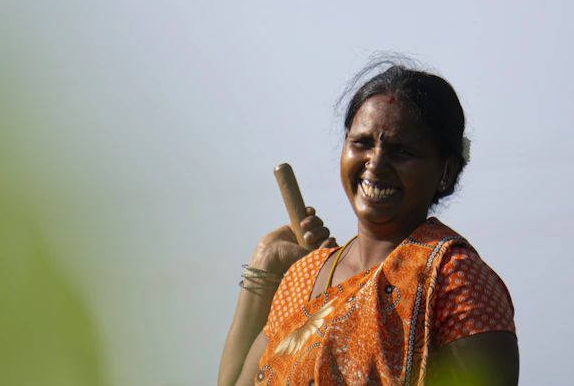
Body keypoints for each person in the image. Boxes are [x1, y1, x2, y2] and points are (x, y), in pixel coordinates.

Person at [218, 62, 518, 386]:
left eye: (401, 151)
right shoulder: (304, 277)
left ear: (444, 171)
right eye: (361, 143)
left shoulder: (454, 279)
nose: (375, 164)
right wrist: (264, 266)